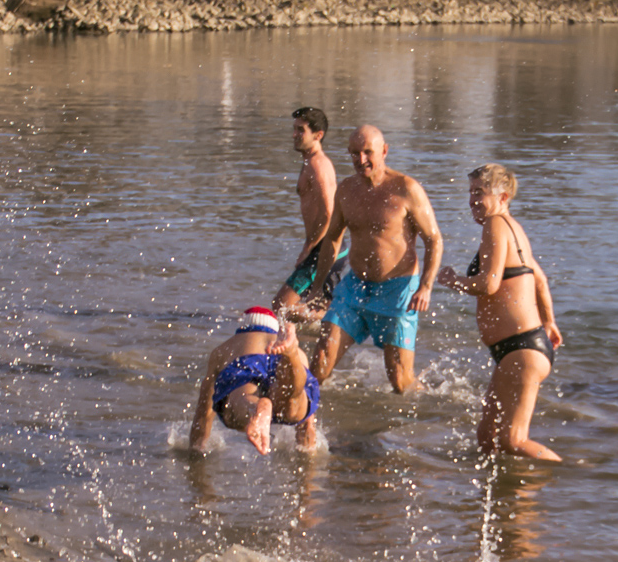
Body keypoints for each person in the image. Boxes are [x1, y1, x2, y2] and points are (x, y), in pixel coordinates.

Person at [439, 164, 562, 462]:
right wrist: (549, 322)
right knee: (486, 437)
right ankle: (496, 496)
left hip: (522, 349)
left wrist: (453, 279)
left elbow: (489, 284)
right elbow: (540, 280)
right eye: (470, 193)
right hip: (521, 347)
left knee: (512, 439)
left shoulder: (496, 224)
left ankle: (569, 481)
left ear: (503, 196)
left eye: (479, 193)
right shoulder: (515, 229)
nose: (472, 200)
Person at [308, 125, 443, 393]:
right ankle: (304, 419)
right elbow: (333, 239)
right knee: (320, 361)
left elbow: (434, 240)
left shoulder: (406, 189)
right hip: (355, 286)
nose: (361, 160)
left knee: (400, 382)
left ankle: (429, 402)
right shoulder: (346, 190)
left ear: (384, 151)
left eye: (368, 152)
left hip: (398, 289)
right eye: (354, 154)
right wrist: (317, 287)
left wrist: (426, 286)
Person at [190, 307, 320, 455]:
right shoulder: (279, 342)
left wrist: (195, 453)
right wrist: (309, 459)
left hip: (247, 358)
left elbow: (203, 414)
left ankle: (255, 407)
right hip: (291, 362)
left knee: (238, 402)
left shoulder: (227, 347)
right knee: (293, 400)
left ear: (243, 325)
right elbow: (307, 427)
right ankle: (291, 356)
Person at [272, 107, 346, 323]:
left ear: (318, 135)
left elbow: (329, 212)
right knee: (314, 304)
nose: (294, 135)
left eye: (300, 130)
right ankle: (324, 330)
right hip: (324, 247)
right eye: (294, 129)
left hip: (325, 248)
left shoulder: (318, 165)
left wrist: (309, 247)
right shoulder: (310, 162)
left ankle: (338, 318)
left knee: (281, 307)